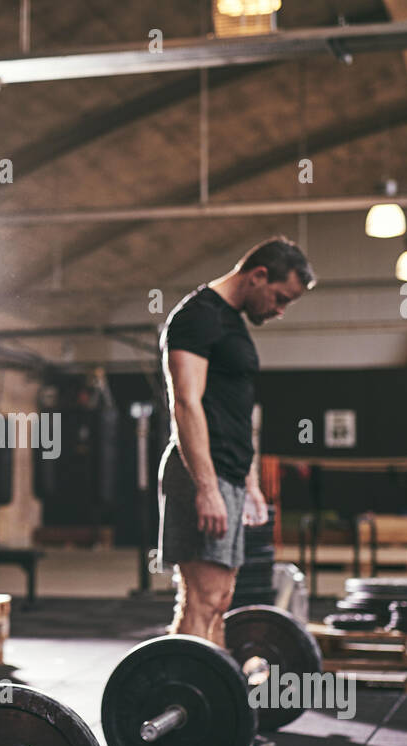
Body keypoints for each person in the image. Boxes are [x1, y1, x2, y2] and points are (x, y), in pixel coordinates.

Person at [157, 237, 316, 648]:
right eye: (280, 298)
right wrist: (207, 488)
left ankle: (210, 696)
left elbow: (236, 414)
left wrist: (249, 485)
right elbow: (186, 403)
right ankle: (188, 694)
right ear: (258, 275)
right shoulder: (198, 316)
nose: (279, 311)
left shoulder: (231, 322)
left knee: (220, 598)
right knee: (202, 599)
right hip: (199, 473)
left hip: (228, 473)